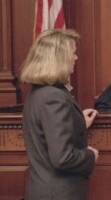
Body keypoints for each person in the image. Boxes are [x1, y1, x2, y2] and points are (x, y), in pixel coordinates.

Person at [21, 29, 99, 200]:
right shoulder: (53, 97)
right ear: (59, 58)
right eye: (73, 53)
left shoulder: (38, 93)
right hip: (58, 194)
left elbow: (47, 132)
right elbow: (63, 158)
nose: (76, 57)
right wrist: (90, 155)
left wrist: (78, 122)